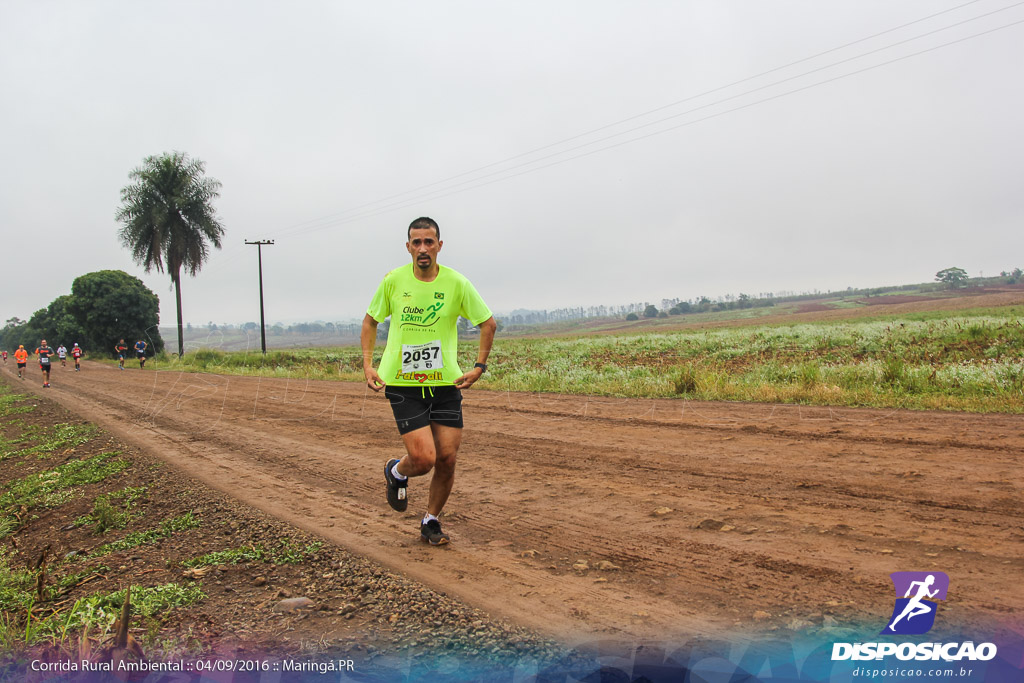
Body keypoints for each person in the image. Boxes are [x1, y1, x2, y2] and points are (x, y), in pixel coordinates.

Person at [362, 217, 496, 546]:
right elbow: (370, 322)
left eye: (429, 242)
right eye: (416, 242)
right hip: (404, 385)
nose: (423, 248)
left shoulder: (457, 283)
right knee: (424, 459)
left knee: (447, 458)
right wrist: (368, 365)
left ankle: (430, 520)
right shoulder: (393, 281)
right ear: (408, 247)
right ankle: (397, 471)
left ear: (439, 245)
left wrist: (479, 367)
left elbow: (488, 323)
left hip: (446, 385)